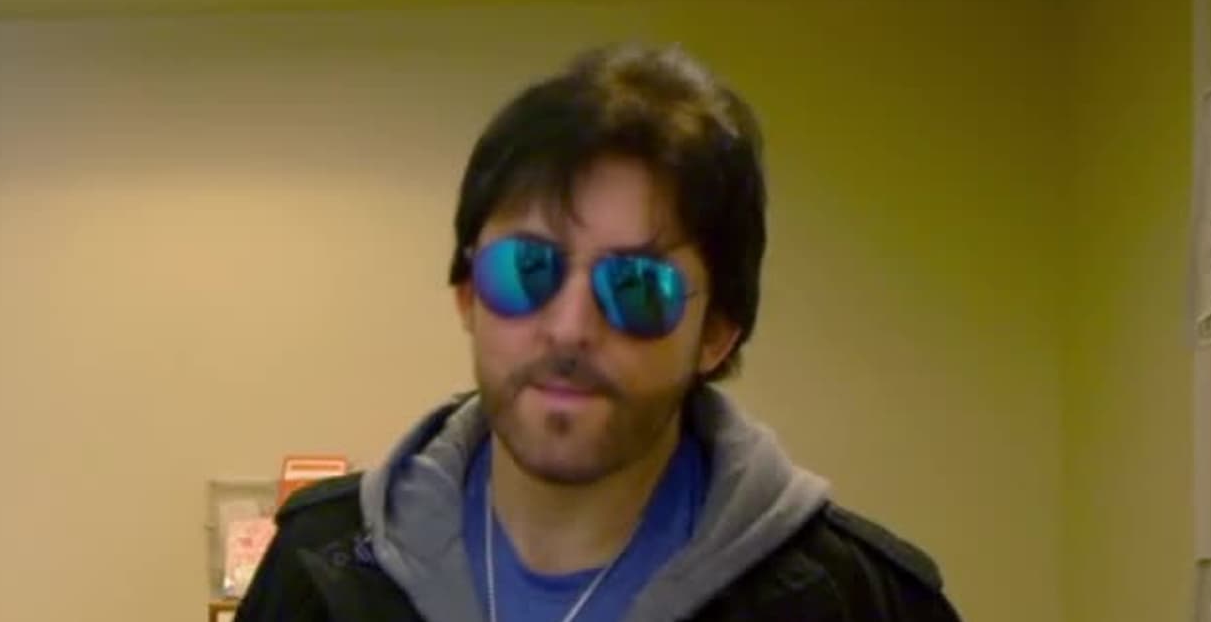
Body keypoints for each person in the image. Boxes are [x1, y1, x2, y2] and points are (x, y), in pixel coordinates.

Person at [235, 44, 963, 622]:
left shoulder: (866, 603)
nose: (570, 327)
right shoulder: (316, 569)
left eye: (637, 286)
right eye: (526, 269)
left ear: (715, 334)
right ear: (468, 296)